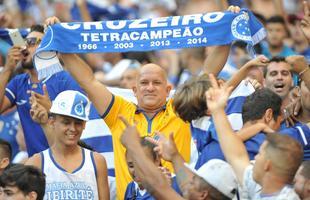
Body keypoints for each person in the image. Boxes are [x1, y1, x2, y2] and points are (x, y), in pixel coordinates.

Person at [43, 11, 234, 197]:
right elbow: (88, 81)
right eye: (144, 83)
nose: (150, 88)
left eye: (156, 83)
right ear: (134, 90)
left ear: (168, 90)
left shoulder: (179, 109)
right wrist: (60, 42)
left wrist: (228, 31)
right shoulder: (119, 110)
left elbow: (208, 73)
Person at [206, 73, 303, 199]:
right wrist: (218, 110)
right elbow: (236, 155)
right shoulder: (257, 186)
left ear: (267, 165)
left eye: (260, 154)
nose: (255, 157)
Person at [0, 24, 87, 157]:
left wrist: (51, 109)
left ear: (50, 49)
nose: (25, 47)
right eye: (24, 42)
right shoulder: (19, 82)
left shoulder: (65, 80)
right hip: (37, 166)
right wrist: (7, 68)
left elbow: (78, 123)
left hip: (66, 160)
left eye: (32, 42)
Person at [120, 116, 239, 200]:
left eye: (193, 181)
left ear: (202, 195)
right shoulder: (197, 194)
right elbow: (183, 180)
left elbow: (156, 187)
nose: (185, 182)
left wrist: (133, 145)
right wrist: (174, 156)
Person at [25, 90, 110, 200]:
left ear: (84, 125)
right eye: (66, 122)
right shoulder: (36, 163)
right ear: (52, 122)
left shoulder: (97, 161)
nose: (73, 129)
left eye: (78, 123)